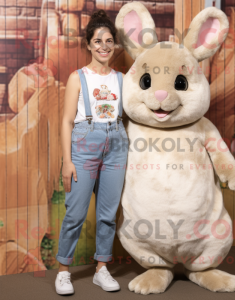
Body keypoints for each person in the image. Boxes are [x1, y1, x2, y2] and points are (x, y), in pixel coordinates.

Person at [54, 9, 128, 295]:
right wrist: (67, 161)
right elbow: (66, 121)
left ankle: (101, 268)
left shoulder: (121, 80)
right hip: (84, 144)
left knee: (108, 214)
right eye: (98, 41)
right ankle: (63, 271)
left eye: (109, 41)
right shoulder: (78, 78)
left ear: (114, 44)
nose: (104, 46)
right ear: (88, 44)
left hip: (117, 144)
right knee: (75, 213)